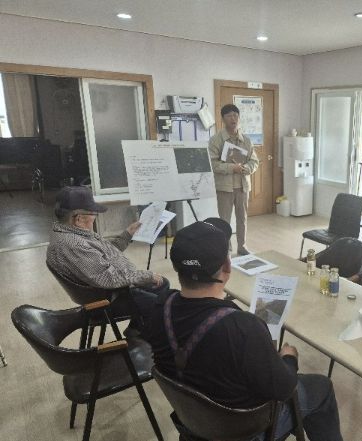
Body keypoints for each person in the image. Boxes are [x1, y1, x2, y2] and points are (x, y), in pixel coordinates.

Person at [147, 219, 343, 441]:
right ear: (227, 267)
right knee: (322, 387)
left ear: (175, 267)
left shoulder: (159, 308)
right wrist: (289, 358)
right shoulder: (242, 327)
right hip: (245, 431)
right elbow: (284, 389)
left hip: (193, 424)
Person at [46, 186, 168, 334]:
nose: (95, 217)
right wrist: (146, 275)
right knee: (161, 304)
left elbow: (102, 254)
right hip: (108, 299)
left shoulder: (70, 231)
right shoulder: (74, 244)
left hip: (111, 290)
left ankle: (137, 330)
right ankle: (144, 336)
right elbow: (108, 278)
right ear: (79, 219)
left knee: (162, 286)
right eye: (93, 214)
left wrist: (127, 234)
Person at [209, 104, 259, 256]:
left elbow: (254, 161)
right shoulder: (216, 140)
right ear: (223, 119)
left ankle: (242, 246)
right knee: (224, 221)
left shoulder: (246, 140)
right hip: (224, 187)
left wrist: (246, 168)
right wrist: (232, 168)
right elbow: (213, 164)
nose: (233, 118)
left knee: (242, 219)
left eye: (236, 115)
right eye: (229, 115)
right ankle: (226, 249)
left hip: (243, 186)